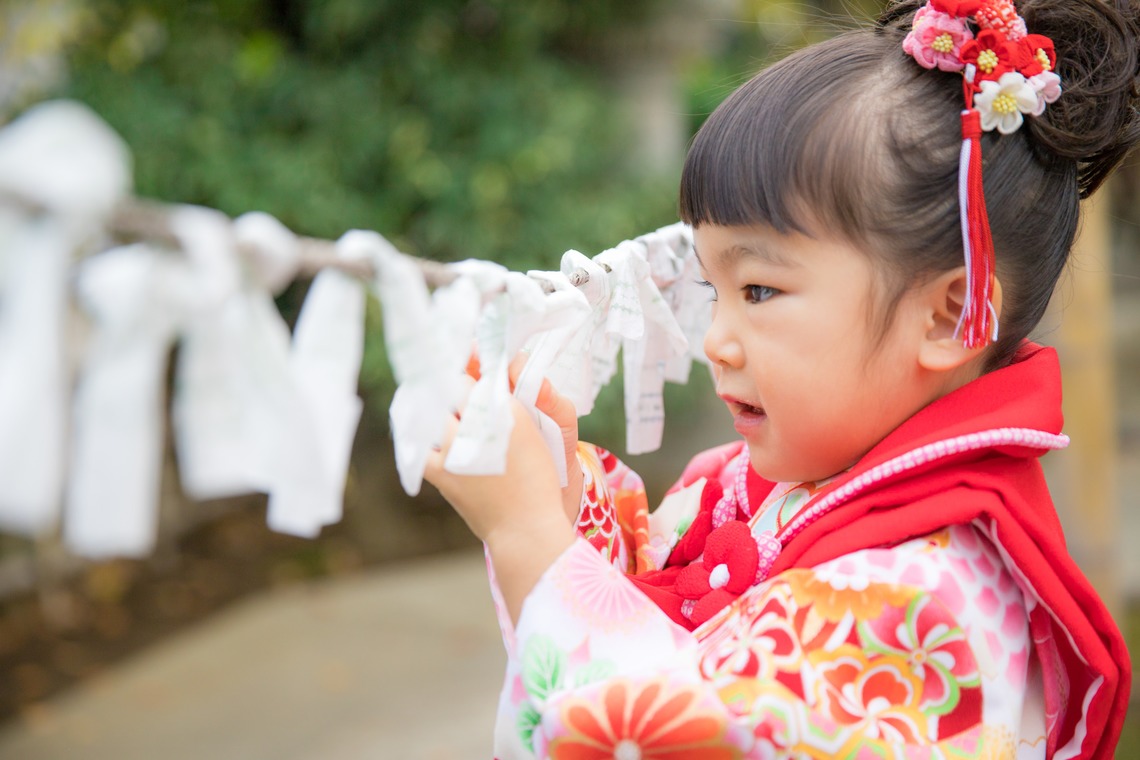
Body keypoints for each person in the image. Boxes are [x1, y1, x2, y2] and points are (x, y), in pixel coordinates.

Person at [423, 0, 1139, 757]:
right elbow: (664, 610)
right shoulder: (791, 477)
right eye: (713, 291)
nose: (715, 343)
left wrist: (526, 533)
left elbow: (667, 732)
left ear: (948, 316)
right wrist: (557, 488)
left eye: (759, 290)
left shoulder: (922, 602)